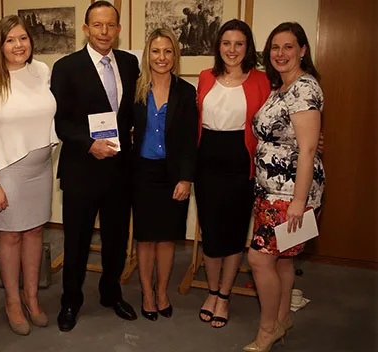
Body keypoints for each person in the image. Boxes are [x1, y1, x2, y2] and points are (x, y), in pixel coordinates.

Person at [51, 1, 140, 332]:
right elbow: (59, 122)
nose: (104, 32)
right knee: (76, 240)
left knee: (116, 240)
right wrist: (90, 144)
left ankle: (111, 293)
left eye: (110, 25)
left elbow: (132, 112)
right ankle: (70, 301)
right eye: (97, 25)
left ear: (118, 29)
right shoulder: (66, 67)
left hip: (119, 169)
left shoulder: (131, 64)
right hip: (81, 169)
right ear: (86, 29)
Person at [0, 15, 58, 336]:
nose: (18, 45)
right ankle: (11, 301)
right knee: (10, 236)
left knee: (35, 232)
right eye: (10, 40)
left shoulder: (41, 72)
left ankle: (31, 298)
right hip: (6, 170)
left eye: (23, 38)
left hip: (41, 166)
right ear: (0, 45)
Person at [244, 22, 324, 352]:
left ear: (303, 50)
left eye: (288, 47)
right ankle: (281, 320)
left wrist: (298, 202)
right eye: (275, 47)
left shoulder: (305, 88)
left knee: (259, 260)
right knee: (284, 260)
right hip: (271, 190)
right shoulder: (283, 87)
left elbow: (306, 149)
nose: (280, 53)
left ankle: (267, 331)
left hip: (290, 195)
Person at [195, 19, 270, 328]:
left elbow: (276, 121)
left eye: (239, 44)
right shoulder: (204, 77)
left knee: (234, 233)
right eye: (227, 43)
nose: (232, 49)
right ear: (219, 46)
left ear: (247, 48)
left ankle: (225, 296)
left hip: (240, 162)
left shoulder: (261, 81)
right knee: (211, 232)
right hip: (206, 161)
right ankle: (211, 291)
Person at [132, 28, 198, 321]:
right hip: (142, 172)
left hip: (173, 176)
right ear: (149, 55)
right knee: (146, 238)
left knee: (168, 238)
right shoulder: (134, 89)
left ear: (175, 56)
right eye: (156, 51)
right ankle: (147, 292)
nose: (162, 57)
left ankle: (162, 292)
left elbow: (188, 141)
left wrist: (185, 178)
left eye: (168, 51)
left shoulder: (185, 92)